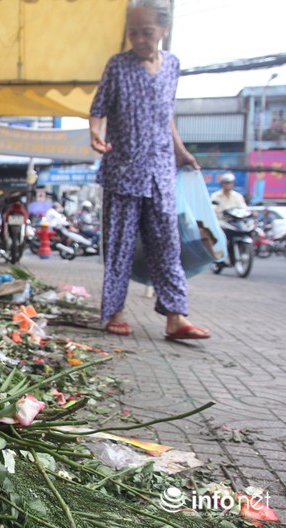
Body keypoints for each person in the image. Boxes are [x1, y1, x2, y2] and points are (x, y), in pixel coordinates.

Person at [89, 0, 209, 340]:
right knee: (119, 246)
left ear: (163, 31)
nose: (139, 39)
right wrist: (95, 135)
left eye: (147, 32)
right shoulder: (118, 66)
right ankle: (114, 311)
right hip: (123, 170)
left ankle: (176, 317)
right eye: (133, 32)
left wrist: (181, 152)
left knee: (166, 245)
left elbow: (166, 116)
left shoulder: (172, 66)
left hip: (160, 171)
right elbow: (98, 110)